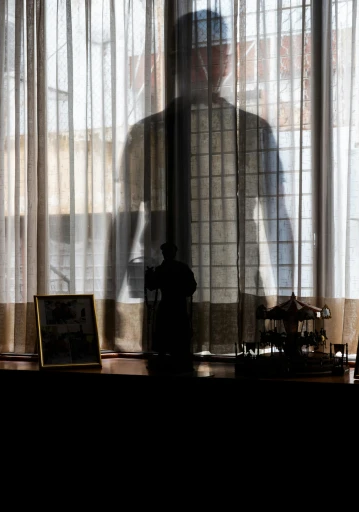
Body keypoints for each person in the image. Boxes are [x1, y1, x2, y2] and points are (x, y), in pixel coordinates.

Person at [111, 8, 292, 350]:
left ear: (226, 60)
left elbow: (276, 218)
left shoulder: (252, 131)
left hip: (234, 292)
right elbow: (126, 219)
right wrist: (109, 306)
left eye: (216, 54)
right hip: (167, 299)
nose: (207, 67)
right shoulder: (148, 134)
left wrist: (288, 305)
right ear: (176, 62)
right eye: (195, 56)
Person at [145, 242, 197, 369]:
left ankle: (165, 357)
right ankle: (178, 357)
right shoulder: (183, 268)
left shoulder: (161, 269)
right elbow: (191, 287)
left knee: (164, 331)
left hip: (167, 304)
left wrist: (148, 275)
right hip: (178, 304)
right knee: (178, 332)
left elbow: (151, 286)